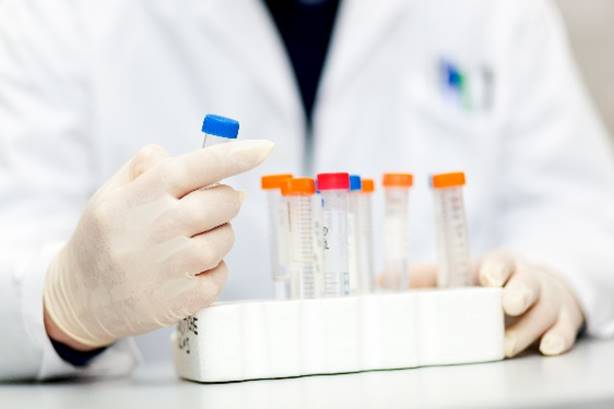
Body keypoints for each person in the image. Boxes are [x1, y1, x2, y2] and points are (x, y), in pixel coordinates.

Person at [1, 0, 613, 381]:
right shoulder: (56, 16)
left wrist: (555, 280)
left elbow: (584, 208)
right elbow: (15, 243)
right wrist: (65, 304)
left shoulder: (501, 14)